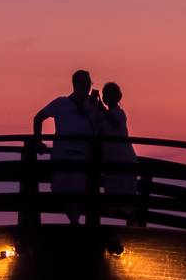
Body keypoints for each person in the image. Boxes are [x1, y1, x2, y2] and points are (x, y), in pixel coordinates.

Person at [33, 69, 106, 223]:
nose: (87, 86)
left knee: (78, 193)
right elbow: (39, 117)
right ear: (75, 84)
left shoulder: (93, 107)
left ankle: (75, 224)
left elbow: (106, 126)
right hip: (62, 156)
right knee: (62, 191)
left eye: (88, 83)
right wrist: (38, 141)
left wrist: (100, 106)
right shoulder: (61, 103)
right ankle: (74, 224)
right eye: (84, 83)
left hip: (83, 157)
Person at [100, 82, 138, 222]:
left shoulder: (119, 113)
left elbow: (116, 124)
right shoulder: (104, 114)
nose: (106, 97)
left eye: (109, 94)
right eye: (105, 94)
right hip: (111, 158)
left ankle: (132, 226)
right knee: (114, 191)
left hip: (123, 157)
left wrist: (102, 110)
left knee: (125, 193)